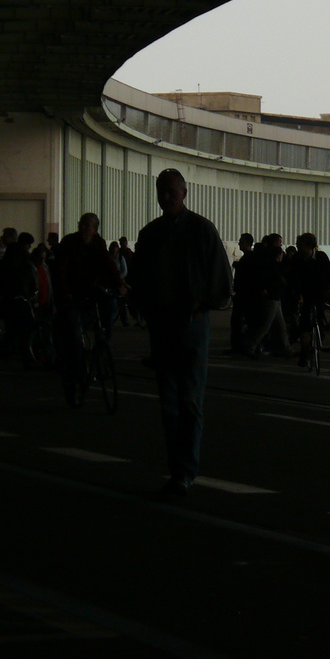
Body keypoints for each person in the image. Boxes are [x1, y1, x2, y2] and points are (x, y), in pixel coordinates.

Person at [128, 170, 232, 495]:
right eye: (163, 191)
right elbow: (140, 280)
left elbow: (222, 281)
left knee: (188, 401)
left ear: (184, 193)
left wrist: (202, 305)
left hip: (190, 324)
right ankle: (180, 471)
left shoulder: (201, 230)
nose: (167, 197)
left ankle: (184, 471)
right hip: (164, 326)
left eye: (172, 191)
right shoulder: (152, 234)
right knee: (170, 403)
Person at [53, 213, 124, 403]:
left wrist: (119, 284)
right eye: (82, 225)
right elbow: (60, 271)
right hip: (70, 292)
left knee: (110, 302)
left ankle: (103, 341)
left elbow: (108, 264)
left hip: (89, 289)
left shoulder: (98, 244)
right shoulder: (69, 243)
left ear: (95, 229)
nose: (84, 228)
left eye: (88, 225)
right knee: (74, 336)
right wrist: (65, 292)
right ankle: (74, 380)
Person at [288, 233, 330, 365]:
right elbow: (293, 278)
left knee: (319, 313)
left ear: (308, 246)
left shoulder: (321, 257)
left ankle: (320, 329)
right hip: (305, 292)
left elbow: (329, 275)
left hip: (320, 291)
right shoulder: (297, 258)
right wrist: (296, 294)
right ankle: (305, 350)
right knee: (304, 323)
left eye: (300, 245)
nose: (298, 247)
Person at [239, 242, 290, 358]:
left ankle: (285, 347)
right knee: (264, 325)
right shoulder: (272, 267)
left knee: (279, 325)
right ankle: (250, 346)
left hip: (273, 298)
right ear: (278, 255)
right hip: (271, 298)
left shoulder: (268, 265)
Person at [226, 232, 255, 355]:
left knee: (238, 321)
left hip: (244, 295)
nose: (239, 243)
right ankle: (241, 346)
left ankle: (240, 347)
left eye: (241, 241)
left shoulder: (249, 258)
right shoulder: (248, 258)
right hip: (243, 294)